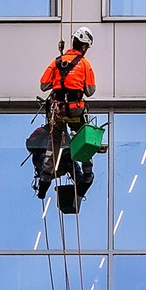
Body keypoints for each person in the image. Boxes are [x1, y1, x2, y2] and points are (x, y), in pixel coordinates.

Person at [28, 27, 97, 201]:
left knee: (54, 143)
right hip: (76, 110)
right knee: (84, 139)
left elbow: (43, 85)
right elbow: (90, 91)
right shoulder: (85, 64)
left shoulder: (56, 62)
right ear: (83, 47)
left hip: (58, 110)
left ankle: (45, 178)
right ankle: (87, 175)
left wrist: (60, 81)